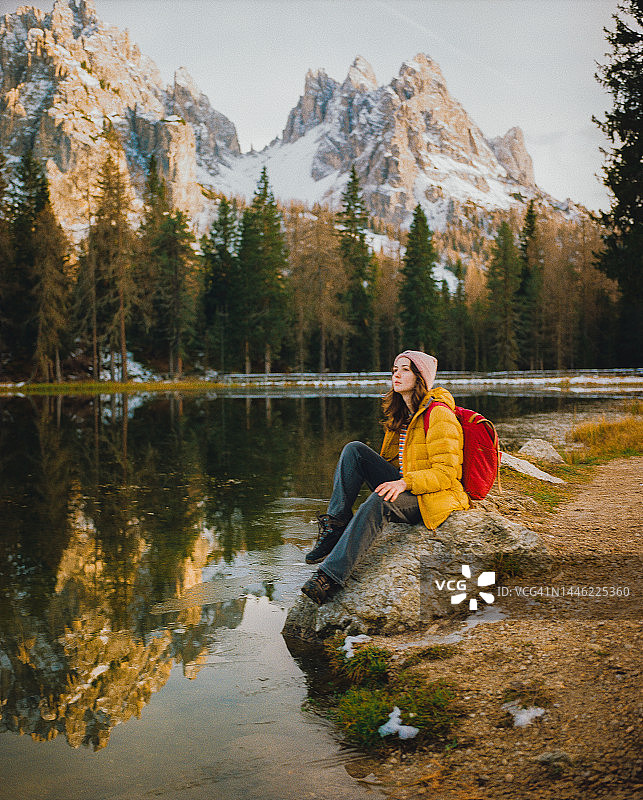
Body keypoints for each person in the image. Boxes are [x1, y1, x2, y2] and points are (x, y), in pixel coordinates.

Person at [301, 350, 470, 605]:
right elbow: (393, 462)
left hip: (432, 494)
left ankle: (329, 579)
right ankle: (335, 526)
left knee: (381, 499)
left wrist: (404, 483)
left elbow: (447, 474)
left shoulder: (439, 414)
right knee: (354, 450)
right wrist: (396, 480)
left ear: (420, 377)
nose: (396, 375)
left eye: (405, 370)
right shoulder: (402, 413)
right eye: (394, 369)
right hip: (408, 484)